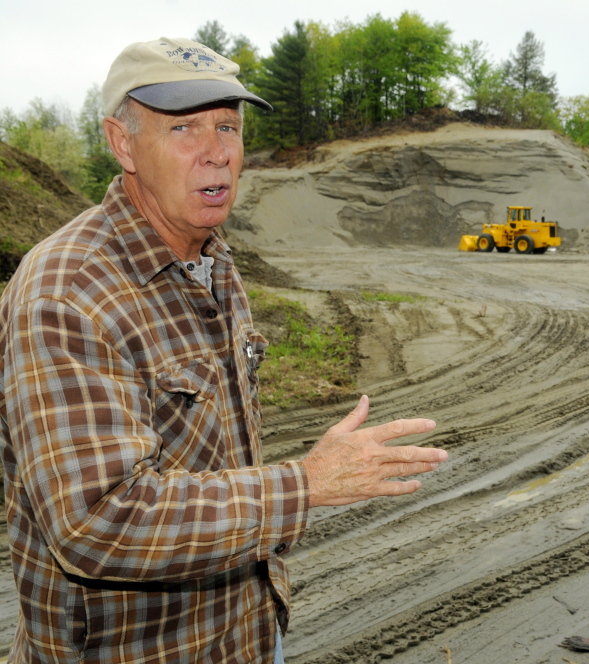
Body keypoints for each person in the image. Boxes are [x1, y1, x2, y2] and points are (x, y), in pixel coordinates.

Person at [0, 37, 447, 663]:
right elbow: (95, 522)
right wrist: (305, 485)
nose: (217, 153)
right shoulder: (68, 295)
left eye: (228, 127)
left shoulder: (210, 257)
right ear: (121, 143)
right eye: (184, 128)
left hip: (247, 633)